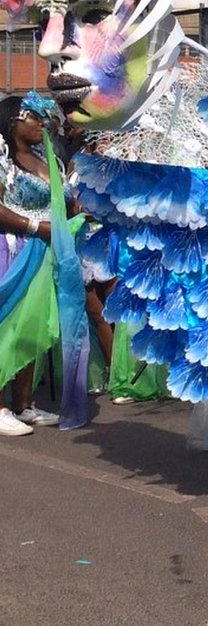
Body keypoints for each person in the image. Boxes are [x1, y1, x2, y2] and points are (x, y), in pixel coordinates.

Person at [0, 93, 80, 435]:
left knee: (34, 326)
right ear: (14, 120)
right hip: (13, 248)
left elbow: (63, 201)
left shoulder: (46, 159)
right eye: (34, 117)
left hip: (48, 251)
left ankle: (23, 403)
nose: (41, 124)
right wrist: (36, 227)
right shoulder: (2, 159)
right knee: (9, 326)